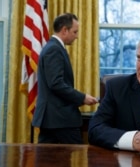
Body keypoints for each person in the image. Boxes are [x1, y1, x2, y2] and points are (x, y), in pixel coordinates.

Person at [32, 13, 98, 144]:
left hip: (53, 119)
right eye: (75, 32)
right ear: (64, 30)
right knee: (74, 156)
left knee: (47, 159)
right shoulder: (54, 49)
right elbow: (56, 84)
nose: (77, 36)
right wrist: (82, 97)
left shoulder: (53, 47)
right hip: (59, 119)